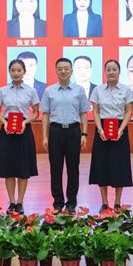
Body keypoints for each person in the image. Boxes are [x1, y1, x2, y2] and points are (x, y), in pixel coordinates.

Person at [41, 58, 89, 213]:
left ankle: (71, 202)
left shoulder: (79, 90)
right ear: (56, 70)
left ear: (71, 71)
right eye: (60, 68)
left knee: (73, 168)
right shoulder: (49, 91)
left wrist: (84, 134)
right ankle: (58, 202)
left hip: (73, 131)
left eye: (66, 68)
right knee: (55, 168)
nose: (63, 71)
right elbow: (45, 115)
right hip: (55, 131)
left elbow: (83, 113)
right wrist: (44, 136)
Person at [0, 59, 40, 215]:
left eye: (19, 70)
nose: (16, 73)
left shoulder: (30, 91)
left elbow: (36, 112)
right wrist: (5, 123)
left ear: (24, 72)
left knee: (23, 168)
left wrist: (25, 122)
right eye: (13, 70)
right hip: (7, 130)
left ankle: (20, 202)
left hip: (24, 130)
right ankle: (11, 202)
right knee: (8, 168)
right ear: (9, 72)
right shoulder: (3, 90)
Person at [89, 59, 133, 212]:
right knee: (101, 165)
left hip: (120, 130)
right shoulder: (98, 90)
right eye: (108, 69)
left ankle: (117, 201)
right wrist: (100, 129)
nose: (111, 72)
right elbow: (96, 111)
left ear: (119, 72)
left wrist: (121, 129)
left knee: (119, 165)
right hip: (102, 130)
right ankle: (104, 201)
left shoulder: (126, 90)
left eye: (114, 69)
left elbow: (129, 111)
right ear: (105, 72)